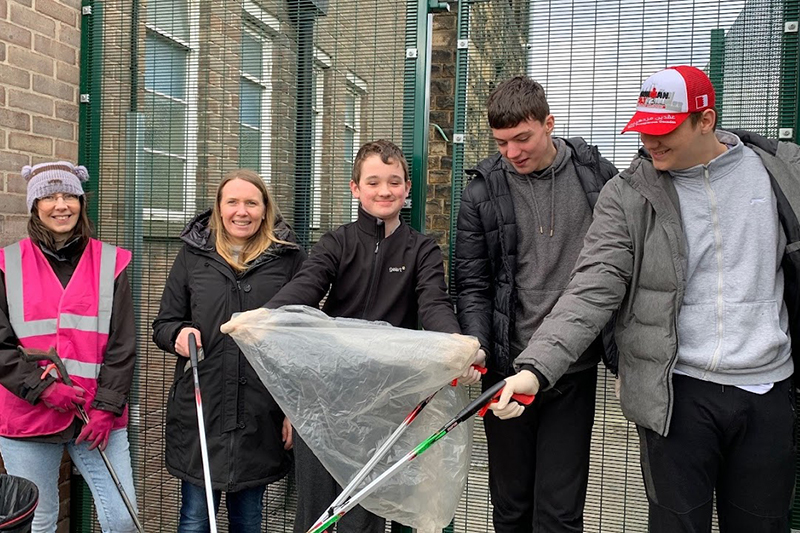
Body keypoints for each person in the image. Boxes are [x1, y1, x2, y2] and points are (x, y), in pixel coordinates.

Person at [491, 66, 798, 532]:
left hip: (770, 391)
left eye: (665, 132)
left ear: (705, 120)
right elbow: (592, 285)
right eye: (644, 131)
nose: (651, 144)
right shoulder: (628, 194)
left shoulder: (782, 172)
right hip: (675, 395)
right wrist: (536, 367)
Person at [264, 139, 465, 533]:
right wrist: (263, 318)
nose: (384, 191)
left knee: (363, 515)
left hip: (385, 403)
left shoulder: (422, 250)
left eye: (394, 182)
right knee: (315, 515)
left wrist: (458, 344)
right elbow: (306, 286)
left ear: (407, 189)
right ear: (355, 188)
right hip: (323, 398)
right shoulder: (336, 243)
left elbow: (434, 305)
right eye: (373, 182)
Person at [454, 76, 618, 533]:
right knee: (510, 506)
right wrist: (479, 346)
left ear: (549, 124)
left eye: (522, 138)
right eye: (502, 142)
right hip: (507, 369)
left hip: (574, 369)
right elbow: (472, 284)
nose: (512, 152)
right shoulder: (482, 191)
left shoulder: (596, 177)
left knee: (561, 513)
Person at [152, 169, 306, 533]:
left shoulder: (288, 259)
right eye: (232, 202)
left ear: (265, 209)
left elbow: (302, 340)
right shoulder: (193, 256)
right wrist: (177, 334)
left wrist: (293, 410)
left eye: (251, 202)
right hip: (203, 409)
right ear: (218, 209)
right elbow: (164, 323)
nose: (242, 211)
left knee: (248, 520)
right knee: (194, 519)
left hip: (259, 412)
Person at [0, 161, 139, 532]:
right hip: (28, 415)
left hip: (96, 414)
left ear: (81, 203)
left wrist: (107, 408)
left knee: (122, 519)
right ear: (35, 206)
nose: (60, 205)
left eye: (69, 196)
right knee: (38, 521)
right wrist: (43, 388)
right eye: (48, 196)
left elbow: (123, 343)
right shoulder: (6, 264)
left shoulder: (111, 262)